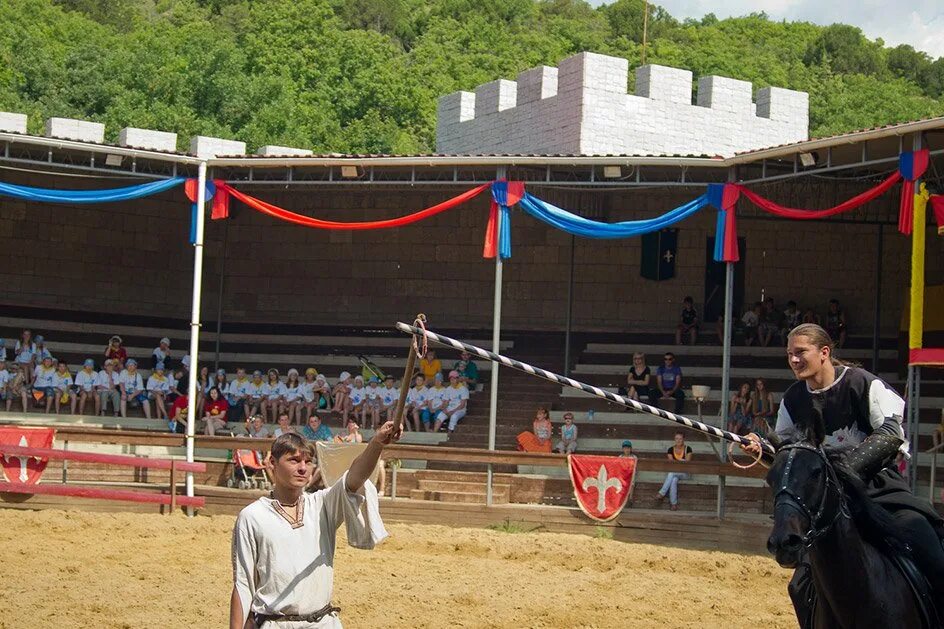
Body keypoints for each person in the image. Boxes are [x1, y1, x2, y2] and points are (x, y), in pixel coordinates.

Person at [742, 323, 944, 609]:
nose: (794, 360)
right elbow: (788, 456)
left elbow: (890, 434)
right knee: (799, 586)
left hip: (878, 491)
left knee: (930, 550)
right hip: (826, 504)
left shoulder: (862, 383)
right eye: (790, 354)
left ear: (824, 352)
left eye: (801, 352)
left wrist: (842, 472)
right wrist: (762, 449)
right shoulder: (793, 398)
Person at [229, 422, 396, 629]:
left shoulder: (322, 505)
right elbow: (243, 584)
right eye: (294, 460)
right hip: (275, 624)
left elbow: (355, 477)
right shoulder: (252, 516)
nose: (302, 468)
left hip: (323, 623)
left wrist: (377, 443)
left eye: (308, 462)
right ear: (272, 462)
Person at [656, 431, 692, 511]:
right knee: (674, 479)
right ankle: (673, 504)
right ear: (674, 440)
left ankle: (662, 493)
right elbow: (672, 464)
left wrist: (681, 462)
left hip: (685, 473)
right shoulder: (670, 450)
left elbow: (687, 463)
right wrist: (682, 461)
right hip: (674, 472)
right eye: (677, 438)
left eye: (680, 438)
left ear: (683, 440)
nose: (678, 440)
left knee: (672, 473)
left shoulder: (688, 449)